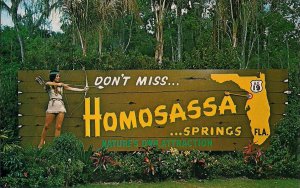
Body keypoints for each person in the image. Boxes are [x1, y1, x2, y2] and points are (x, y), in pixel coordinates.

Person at [38, 70, 88, 149]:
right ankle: (41, 143)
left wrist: (83, 90)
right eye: (57, 76)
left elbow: (71, 88)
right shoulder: (49, 85)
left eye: (59, 76)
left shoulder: (61, 85)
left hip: (60, 106)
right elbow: (48, 83)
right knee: (47, 126)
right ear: (53, 77)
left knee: (58, 127)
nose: (58, 77)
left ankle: (56, 145)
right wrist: (59, 84)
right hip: (52, 105)